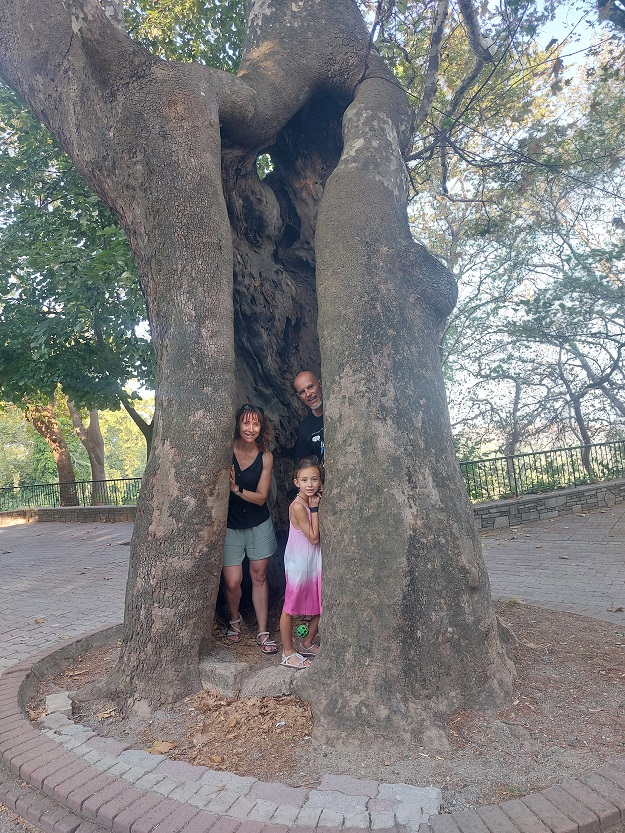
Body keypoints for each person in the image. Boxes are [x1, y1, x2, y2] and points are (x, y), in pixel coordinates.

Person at [222, 404, 279, 654]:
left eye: (256, 424)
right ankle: (235, 620)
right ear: (237, 424)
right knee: (233, 581)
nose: (251, 429)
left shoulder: (265, 455)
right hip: (230, 525)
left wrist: (236, 490)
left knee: (259, 576)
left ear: (261, 427)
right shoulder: (226, 451)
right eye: (246, 423)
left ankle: (263, 631)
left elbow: (261, 497)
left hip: (258, 524)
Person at [279, 457, 322, 669]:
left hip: (313, 563)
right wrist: (314, 509)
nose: (310, 484)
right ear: (296, 482)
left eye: (314, 479)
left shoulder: (312, 499)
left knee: (322, 603)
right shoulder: (298, 506)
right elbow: (313, 537)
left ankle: (306, 642)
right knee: (290, 608)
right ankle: (287, 652)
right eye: (304, 480)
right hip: (298, 564)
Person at [293, 371, 324, 461]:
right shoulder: (305, 428)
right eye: (302, 392)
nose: (308, 394)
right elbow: (304, 465)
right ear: (299, 397)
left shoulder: (341, 410)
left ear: (320, 384)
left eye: (310, 387)